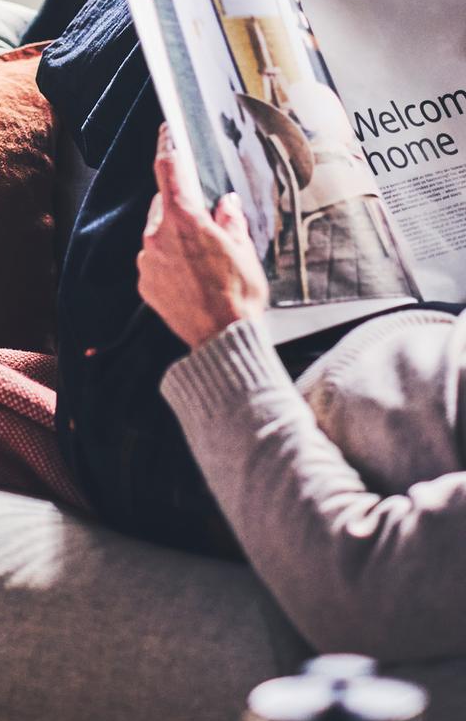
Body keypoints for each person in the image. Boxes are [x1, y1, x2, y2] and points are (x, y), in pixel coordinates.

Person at [138, 122, 466, 661]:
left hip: (263, 399)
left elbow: (371, 599)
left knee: (133, 58)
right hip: (416, 311)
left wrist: (221, 332)